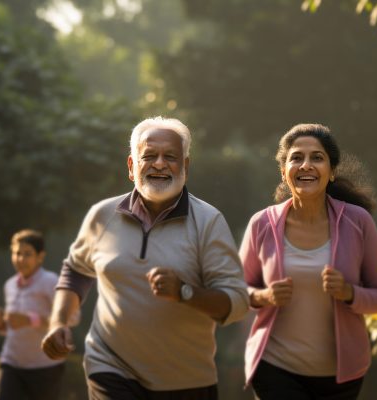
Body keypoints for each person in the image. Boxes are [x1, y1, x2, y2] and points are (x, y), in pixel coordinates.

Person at [41, 116, 249, 399]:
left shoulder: (208, 222)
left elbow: (236, 303)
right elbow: (76, 270)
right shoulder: (102, 216)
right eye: (149, 155)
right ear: (131, 166)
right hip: (111, 367)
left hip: (186, 380)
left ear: (185, 167)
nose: (160, 164)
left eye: (170, 157)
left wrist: (184, 292)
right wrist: (59, 323)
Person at [240, 123, 377, 399]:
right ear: (284, 172)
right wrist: (264, 296)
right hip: (275, 367)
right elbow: (236, 291)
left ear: (332, 171)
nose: (306, 165)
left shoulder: (358, 222)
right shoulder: (262, 224)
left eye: (317, 158)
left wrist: (349, 293)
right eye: (296, 158)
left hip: (341, 374)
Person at [0, 229, 78, 400]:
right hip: (11, 362)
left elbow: (73, 318)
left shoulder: (51, 281)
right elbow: (12, 329)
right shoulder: (10, 285)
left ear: (40, 256)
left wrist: (31, 320)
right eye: (17, 253)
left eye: (27, 254)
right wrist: (0, 324)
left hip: (45, 366)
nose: (20, 259)